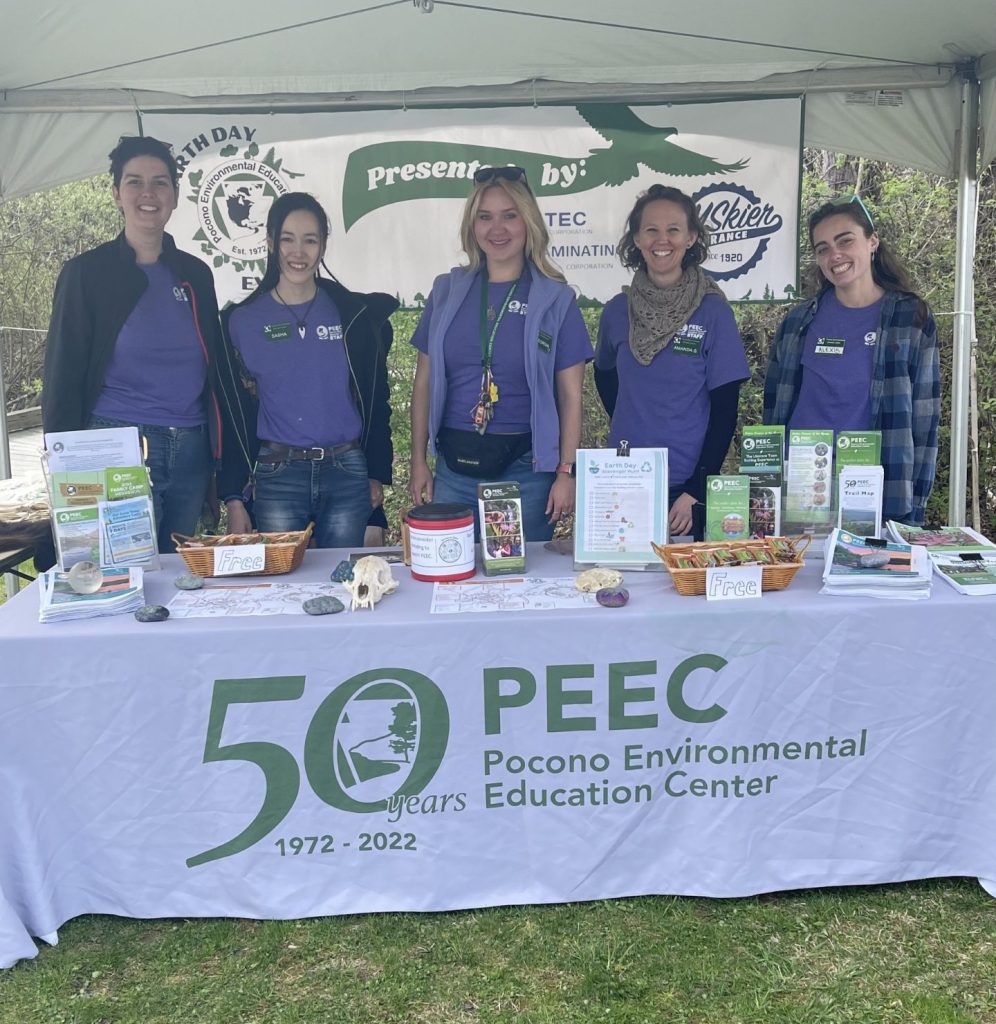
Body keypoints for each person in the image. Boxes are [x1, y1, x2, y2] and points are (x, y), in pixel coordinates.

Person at [41, 135, 241, 550]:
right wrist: (64, 468)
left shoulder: (196, 274)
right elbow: (62, 376)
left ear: (175, 195)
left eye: (160, 182)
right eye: (134, 182)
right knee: (120, 570)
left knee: (177, 575)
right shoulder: (85, 274)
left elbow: (215, 370)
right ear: (116, 194)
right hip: (117, 444)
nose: (148, 194)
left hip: (190, 447)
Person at [408, 166, 592, 541]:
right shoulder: (445, 292)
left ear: (529, 222)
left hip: (525, 473)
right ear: (472, 226)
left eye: (510, 215)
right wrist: (418, 462)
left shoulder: (556, 299)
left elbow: (572, 396)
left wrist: (565, 472)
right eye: (485, 217)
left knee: (521, 586)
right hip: (454, 471)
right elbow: (423, 383)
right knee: (455, 580)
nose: (498, 229)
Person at [219, 192, 397, 548]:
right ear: (270, 242)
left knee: (344, 581)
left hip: (347, 469)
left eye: (309, 240)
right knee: (284, 584)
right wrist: (234, 495)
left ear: (323, 245)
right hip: (278, 473)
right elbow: (232, 416)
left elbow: (376, 399)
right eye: (287, 239)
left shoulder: (354, 316)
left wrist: (376, 472)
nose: (298, 252)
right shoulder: (240, 323)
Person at [763, 195, 940, 526]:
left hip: (875, 490)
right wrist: (767, 490)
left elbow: (925, 421)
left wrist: (915, 505)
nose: (835, 255)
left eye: (845, 241)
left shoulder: (909, 316)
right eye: (823, 248)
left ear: (872, 241)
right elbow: (773, 414)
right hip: (801, 491)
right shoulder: (797, 322)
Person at [594, 185, 749, 540]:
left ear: (691, 237)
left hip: (686, 489)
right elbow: (605, 377)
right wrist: (634, 419)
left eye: (673, 230)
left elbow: (726, 411)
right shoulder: (617, 312)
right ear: (636, 238)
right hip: (625, 481)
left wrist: (696, 488)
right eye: (651, 230)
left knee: (682, 590)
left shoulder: (713, 312)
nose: (661, 240)